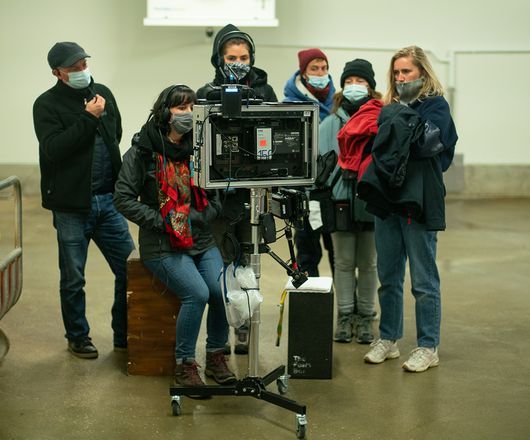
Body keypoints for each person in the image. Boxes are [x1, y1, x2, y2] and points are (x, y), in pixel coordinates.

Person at [113, 85, 236, 388]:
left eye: (192, 107)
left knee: (221, 291)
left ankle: (216, 355)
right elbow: (123, 199)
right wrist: (164, 222)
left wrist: (201, 216)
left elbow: (216, 193)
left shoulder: (201, 147)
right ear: (165, 112)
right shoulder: (142, 150)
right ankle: (185, 364)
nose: (188, 113)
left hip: (201, 238)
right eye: (181, 107)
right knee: (197, 294)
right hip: (162, 243)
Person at [32, 42, 134, 359]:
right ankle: (78, 336)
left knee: (130, 269)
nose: (81, 71)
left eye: (83, 64)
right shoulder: (46, 104)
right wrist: (88, 118)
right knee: (74, 278)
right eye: (73, 68)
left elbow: (115, 135)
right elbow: (54, 149)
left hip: (109, 201)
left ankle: (123, 333)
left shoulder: (103, 94)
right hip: (71, 207)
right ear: (57, 72)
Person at [361, 46, 458, 372]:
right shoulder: (390, 107)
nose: (401, 78)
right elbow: (380, 145)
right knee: (388, 276)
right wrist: (399, 124)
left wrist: (397, 125)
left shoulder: (436, 107)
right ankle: (388, 339)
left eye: (407, 71)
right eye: (397, 73)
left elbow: (426, 144)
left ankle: (428, 346)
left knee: (423, 280)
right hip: (387, 200)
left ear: (422, 73)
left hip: (419, 201)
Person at [197, 24, 278, 355]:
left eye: (244, 57)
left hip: (253, 195)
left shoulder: (266, 92)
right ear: (219, 58)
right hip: (218, 198)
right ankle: (218, 339)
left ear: (252, 58)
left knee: (249, 264)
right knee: (221, 268)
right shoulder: (206, 93)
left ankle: (245, 326)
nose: (238, 63)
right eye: (232, 58)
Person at [318, 59, 382, 344]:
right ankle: (344, 315)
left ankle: (366, 316)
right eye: (349, 81)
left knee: (368, 263)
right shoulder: (329, 124)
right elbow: (320, 166)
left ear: (370, 87)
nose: (354, 86)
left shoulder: (382, 119)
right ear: (342, 86)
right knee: (343, 262)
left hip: (370, 201)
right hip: (339, 201)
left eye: (361, 81)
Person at [283, 48, 336, 277]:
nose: (320, 73)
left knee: (339, 254)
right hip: (304, 190)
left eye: (324, 68)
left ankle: (346, 298)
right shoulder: (290, 104)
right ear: (303, 73)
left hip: (333, 189)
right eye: (314, 68)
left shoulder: (338, 103)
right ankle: (309, 296)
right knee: (307, 253)